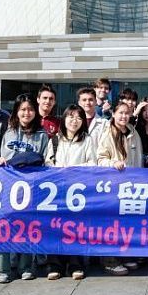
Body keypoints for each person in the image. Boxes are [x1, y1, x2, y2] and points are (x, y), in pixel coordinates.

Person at [0, 95, 51, 283]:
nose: (26, 113)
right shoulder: (4, 129)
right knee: (3, 227)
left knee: (28, 227)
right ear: (16, 111)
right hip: (5, 187)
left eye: (30, 109)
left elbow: (47, 160)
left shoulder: (41, 134)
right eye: (22, 109)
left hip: (30, 188)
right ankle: (3, 269)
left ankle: (26, 267)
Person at [45, 105, 99, 280]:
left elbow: (93, 163)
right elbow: (48, 163)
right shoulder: (55, 140)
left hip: (78, 192)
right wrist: (58, 169)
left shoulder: (87, 140)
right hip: (57, 191)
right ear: (64, 118)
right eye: (70, 116)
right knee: (55, 226)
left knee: (76, 227)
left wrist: (73, 169)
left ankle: (75, 263)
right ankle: (55, 264)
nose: (74, 121)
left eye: (78, 118)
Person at [97, 100, 146, 276]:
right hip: (113, 186)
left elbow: (138, 158)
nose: (124, 116)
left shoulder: (133, 132)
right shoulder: (107, 133)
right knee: (111, 224)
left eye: (127, 113)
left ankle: (124, 255)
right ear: (113, 114)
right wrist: (113, 163)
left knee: (127, 223)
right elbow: (100, 159)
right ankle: (109, 260)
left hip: (132, 186)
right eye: (120, 113)